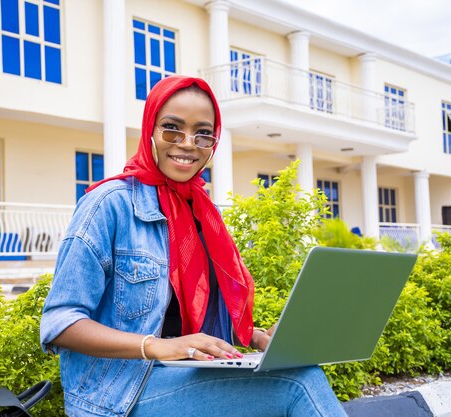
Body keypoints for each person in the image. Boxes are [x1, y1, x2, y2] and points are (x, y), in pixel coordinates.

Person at [40, 75, 348, 417]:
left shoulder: (204, 212)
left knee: (295, 372)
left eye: (203, 133)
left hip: (185, 375)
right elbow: (60, 323)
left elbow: (188, 314)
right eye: (172, 128)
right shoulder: (108, 205)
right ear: (150, 130)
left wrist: (260, 338)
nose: (188, 143)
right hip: (119, 393)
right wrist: (158, 347)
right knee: (299, 382)